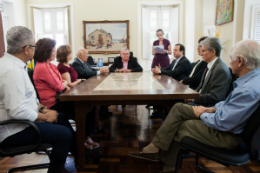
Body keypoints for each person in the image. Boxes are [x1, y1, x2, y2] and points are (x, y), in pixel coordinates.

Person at [129, 39, 260, 173]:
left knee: (181, 125)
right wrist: (211, 109)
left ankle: (167, 164)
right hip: (221, 118)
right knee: (178, 108)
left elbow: (224, 122)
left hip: (227, 135)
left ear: (240, 61)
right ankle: (156, 149)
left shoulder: (248, 90)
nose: (229, 61)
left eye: (231, 58)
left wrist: (203, 114)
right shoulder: (251, 81)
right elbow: (227, 105)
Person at [0, 26, 77, 173]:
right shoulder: (11, 71)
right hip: (14, 130)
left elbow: (29, 99)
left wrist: (43, 109)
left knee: (59, 117)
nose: (35, 49)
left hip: (21, 123)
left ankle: (79, 155)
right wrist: (44, 117)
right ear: (27, 49)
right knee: (64, 134)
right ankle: (57, 169)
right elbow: (17, 110)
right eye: (34, 46)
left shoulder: (14, 66)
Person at [33, 39, 99, 150]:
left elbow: (61, 83)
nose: (55, 53)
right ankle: (81, 142)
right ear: (46, 52)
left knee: (88, 106)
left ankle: (82, 139)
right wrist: (63, 84)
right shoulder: (42, 67)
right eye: (53, 51)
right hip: (52, 104)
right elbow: (59, 85)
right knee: (85, 107)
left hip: (59, 98)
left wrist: (62, 84)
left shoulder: (50, 66)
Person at [185, 37, 231, 107]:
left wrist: (193, 98)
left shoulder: (220, 69)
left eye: (203, 51)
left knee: (177, 107)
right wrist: (191, 96)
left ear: (213, 52)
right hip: (199, 102)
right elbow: (200, 87)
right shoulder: (210, 65)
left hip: (207, 107)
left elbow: (215, 97)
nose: (201, 53)